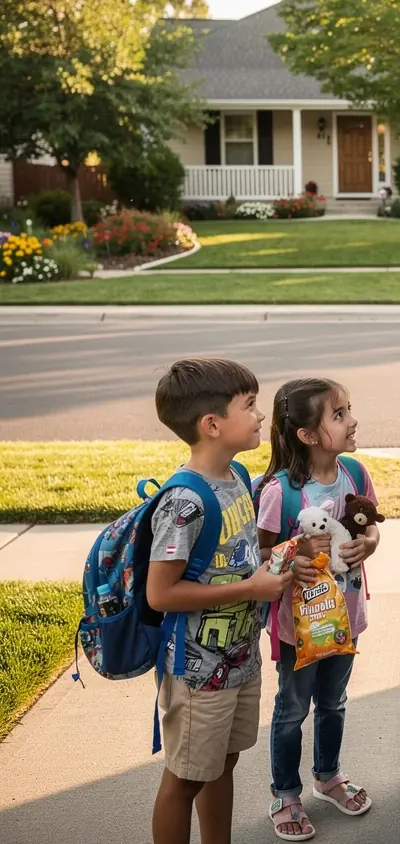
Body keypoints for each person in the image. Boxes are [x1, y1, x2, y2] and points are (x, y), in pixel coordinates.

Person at [148, 358, 294, 844]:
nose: (259, 415)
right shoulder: (184, 501)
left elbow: (239, 556)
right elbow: (161, 593)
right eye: (249, 406)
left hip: (238, 659)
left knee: (221, 765)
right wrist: (250, 589)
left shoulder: (236, 478)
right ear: (212, 425)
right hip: (196, 671)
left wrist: (286, 554)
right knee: (186, 778)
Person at [256, 377, 380, 840]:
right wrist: (297, 555)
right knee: (292, 709)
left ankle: (328, 776)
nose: (352, 421)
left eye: (349, 409)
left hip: (345, 620)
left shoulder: (356, 474)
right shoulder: (280, 492)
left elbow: (371, 528)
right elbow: (262, 552)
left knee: (334, 702)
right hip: (299, 629)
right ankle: (286, 793)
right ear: (307, 435)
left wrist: (367, 545)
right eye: (339, 414)